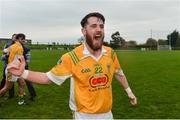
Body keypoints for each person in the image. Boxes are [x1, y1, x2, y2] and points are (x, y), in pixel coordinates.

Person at [8, 12, 137, 119]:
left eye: (101, 26)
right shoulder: (71, 57)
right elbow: (47, 78)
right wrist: (23, 73)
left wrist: (129, 92)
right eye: (93, 26)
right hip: (83, 115)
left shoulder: (110, 53)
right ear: (84, 31)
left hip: (107, 113)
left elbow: (119, 73)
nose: (98, 29)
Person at [0, 33, 26, 105]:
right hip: (12, 70)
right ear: (17, 39)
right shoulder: (19, 47)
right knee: (7, 87)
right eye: (22, 39)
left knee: (22, 83)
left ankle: (21, 101)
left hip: (16, 70)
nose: (24, 40)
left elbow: (4, 51)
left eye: (24, 38)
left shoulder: (13, 46)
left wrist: (8, 55)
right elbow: (21, 59)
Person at [0, 34, 16, 98]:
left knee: (12, 80)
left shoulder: (19, 46)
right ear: (12, 38)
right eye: (14, 37)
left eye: (16, 38)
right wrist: (6, 56)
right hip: (7, 65)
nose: (15, 39)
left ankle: (11, 94)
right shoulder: (7, 45)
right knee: (5, 78)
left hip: (15, 66)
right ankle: (1, 91)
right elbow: (2, 57)